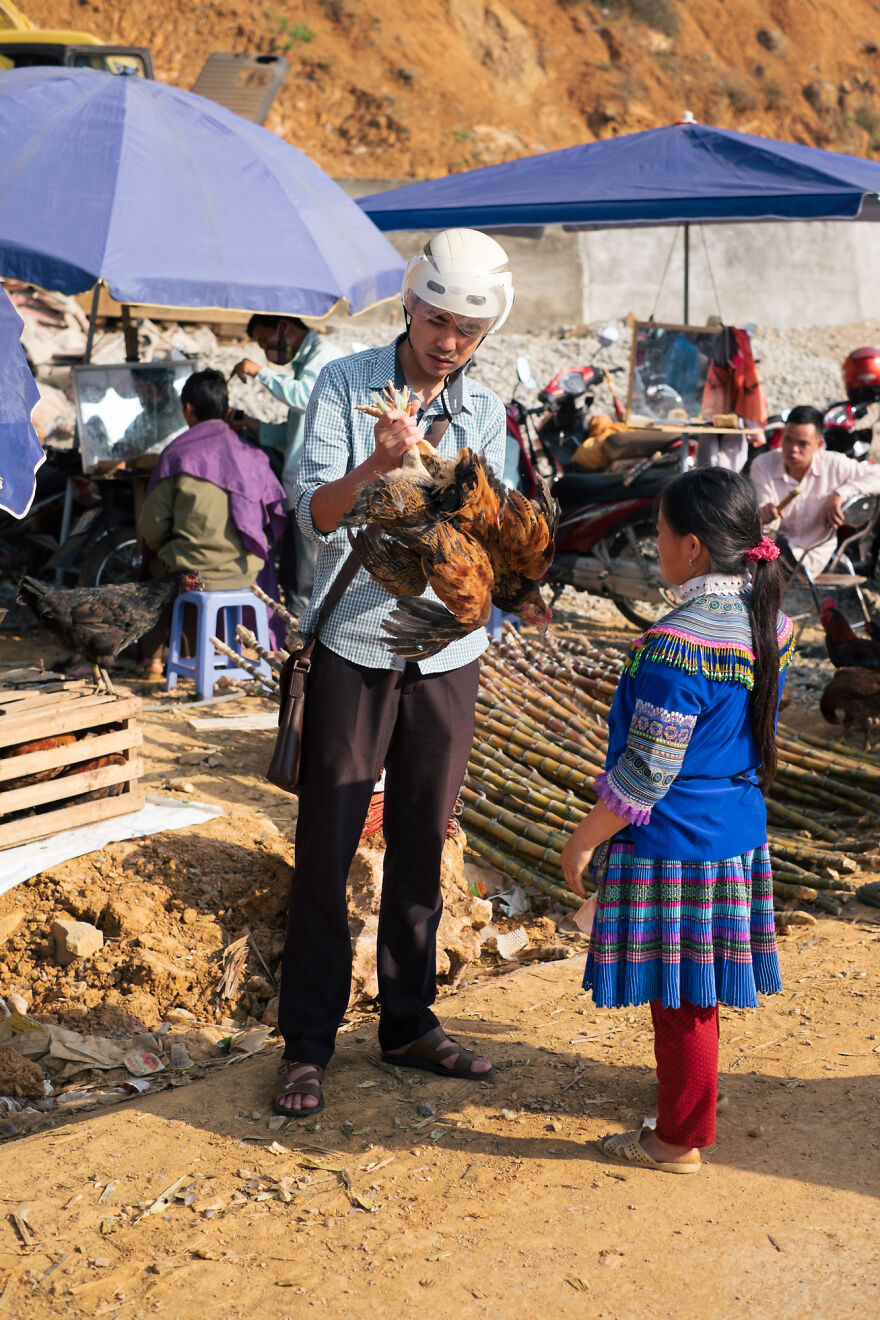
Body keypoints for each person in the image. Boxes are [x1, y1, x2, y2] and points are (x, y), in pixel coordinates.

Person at [272, 228, 514, 1116]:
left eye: (468, 328)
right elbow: (315, 517)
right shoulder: (342, 383)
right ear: (409, 303)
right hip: (355, 648)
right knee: (326, 848)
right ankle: (307, 1044)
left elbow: (497, 528)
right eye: (437, 316)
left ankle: (409, 1022)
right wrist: (379, 463)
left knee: (422, 840)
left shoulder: (486, 408)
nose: (449, 339)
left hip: (448, 652)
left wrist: (461, 491)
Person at [561, 468, 792, 1174]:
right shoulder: (768, 620)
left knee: (683, 998)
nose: (654, 544)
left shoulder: (679, 643)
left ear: (691, 548)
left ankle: (677, 1140)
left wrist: (581, 842)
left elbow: (646, 774)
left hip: (677, 846)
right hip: (734, 834)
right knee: (702, 985)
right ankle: (693, 1098)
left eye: (658, 533)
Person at [137, 368, 286, 673]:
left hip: (195, 576)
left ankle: (152, 661)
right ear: (227, 410)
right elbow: (276, 516)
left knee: (156, 573)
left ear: (188, 409)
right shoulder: (252, 454)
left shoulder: (177, 454)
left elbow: (151, 528)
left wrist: (167, 549)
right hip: (247, 576)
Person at [230, 314, 344, 613]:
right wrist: (253, 425)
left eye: (266, 341)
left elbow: (306, 397)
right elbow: (295, 433)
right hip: (300, 489)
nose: (267, 349)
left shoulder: (325, 357)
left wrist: (260, 373)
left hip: (318, 489)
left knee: (304, 582)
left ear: (285, 328)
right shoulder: (305, 365)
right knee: (293, 575)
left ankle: (303, 649)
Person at [749, 403, 880, 578]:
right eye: (788, 439)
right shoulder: (763, 464)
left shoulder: (833, 464)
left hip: (811, 556)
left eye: (802, 443)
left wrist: (841, 493)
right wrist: (764, 514)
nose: (793, 449)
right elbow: (766, 521)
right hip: (774, 547)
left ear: (819, 444)